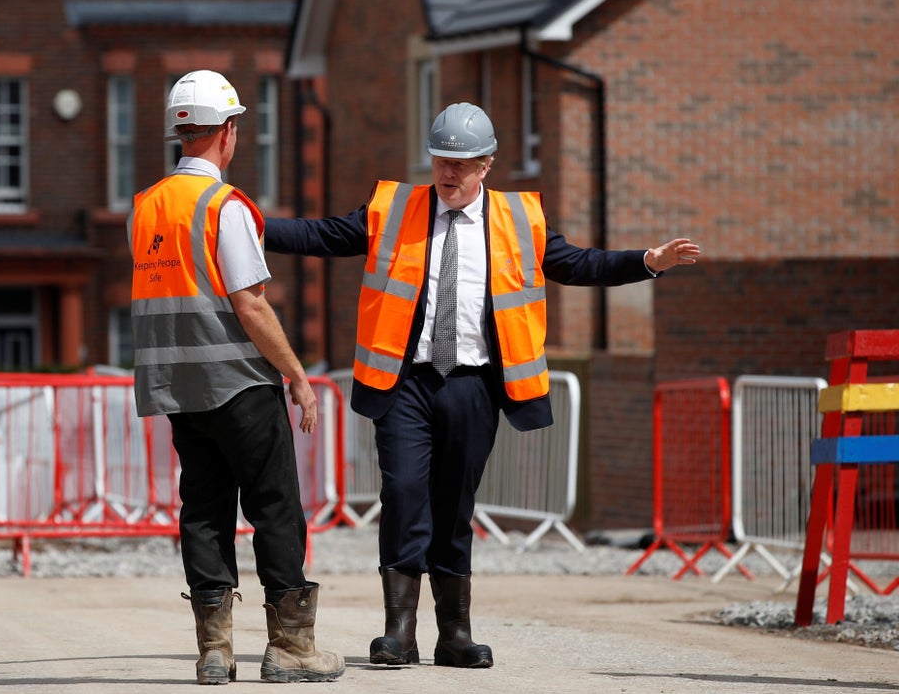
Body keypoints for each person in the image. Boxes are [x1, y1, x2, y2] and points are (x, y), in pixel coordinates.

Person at [263, 102, 701, 671]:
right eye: (442, 160)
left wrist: (647, 261)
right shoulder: (394, 209)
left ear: (487, 165)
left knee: (454, 506)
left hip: (474, 386)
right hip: (406, 383)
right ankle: (399, 632)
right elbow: (320, 234)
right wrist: (246, 221)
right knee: (402, 494)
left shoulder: (521, 219)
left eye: (462, 164)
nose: (449, 173)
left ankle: (454, 635)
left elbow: (577, 264)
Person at [128, 70, 345, 685]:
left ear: (180, 131)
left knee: (203, 509)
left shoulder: (144, 209)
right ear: (228, 132)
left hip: (178, 388)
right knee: (275, 507)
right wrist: (298, 376)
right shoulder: (227, 207)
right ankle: (291, 649)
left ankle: (214, 651)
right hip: (241, 384)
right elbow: (250, 305)